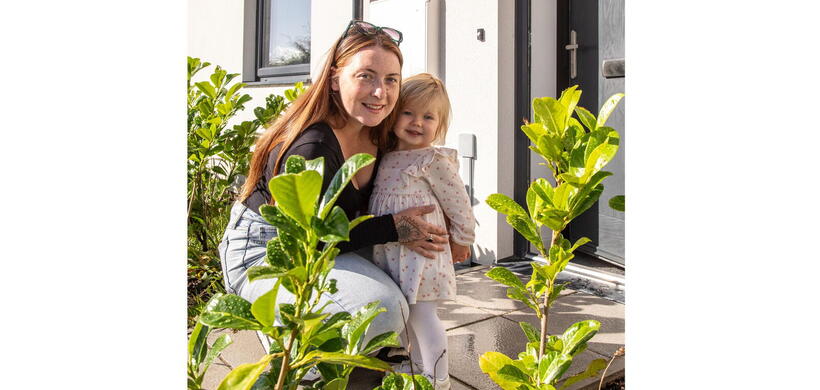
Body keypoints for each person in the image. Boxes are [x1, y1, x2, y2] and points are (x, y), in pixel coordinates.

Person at [218, 21, 450, 349]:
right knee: (384, 310)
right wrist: (393, 228)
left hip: (337, 239)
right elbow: (302, 243)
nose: (380, 92)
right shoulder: (311, 148)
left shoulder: (381, 132)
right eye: (365, 76)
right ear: (334, 81)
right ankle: (286, 338)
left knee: (405, 289)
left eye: (391, 80)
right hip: (270, 251)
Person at [369, 73, 477, 389]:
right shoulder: (386, 156)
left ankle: (438, 379)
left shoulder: (432, 159)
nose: (417, 122)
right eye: (409, 113)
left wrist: (462, 240)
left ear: (439, 125)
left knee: (423, 316)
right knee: (406, 317)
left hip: (423, 256)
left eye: (428, 117)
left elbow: (459, 202)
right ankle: (419, 367)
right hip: (393, 252)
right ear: (393, 114)